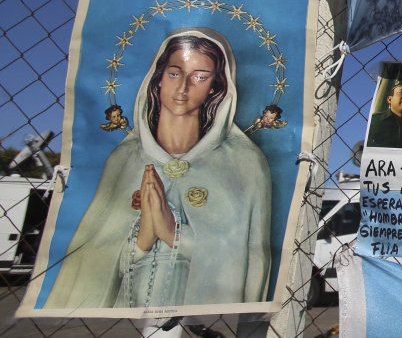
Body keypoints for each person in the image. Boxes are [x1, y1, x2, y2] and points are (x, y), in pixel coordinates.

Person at [46, 27, 271, 309]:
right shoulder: (125, 159)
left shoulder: (243, 162)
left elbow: (247, 258)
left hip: (202, 317)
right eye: (174, 73)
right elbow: (91, 262)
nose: (183, 87)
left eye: (200, 76)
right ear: (158, 78)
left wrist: (172, 232)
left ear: (216, 86)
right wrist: (144, 237)